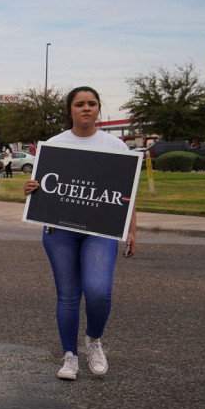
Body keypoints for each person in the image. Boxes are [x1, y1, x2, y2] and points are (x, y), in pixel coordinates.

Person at [23, 86, 137, 381]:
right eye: (79, 104)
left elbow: (127, 195)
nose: (86, 108)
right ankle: (69, 355)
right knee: (68, 296)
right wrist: (31, 190)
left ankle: (94, 340)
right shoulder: (54, 145)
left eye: (92, 103)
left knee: (99, 291)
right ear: (69, 110)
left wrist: (131, 230)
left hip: (101, 230)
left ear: (99, 108)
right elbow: (42, 185)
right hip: (60, 230)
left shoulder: (115, 146)